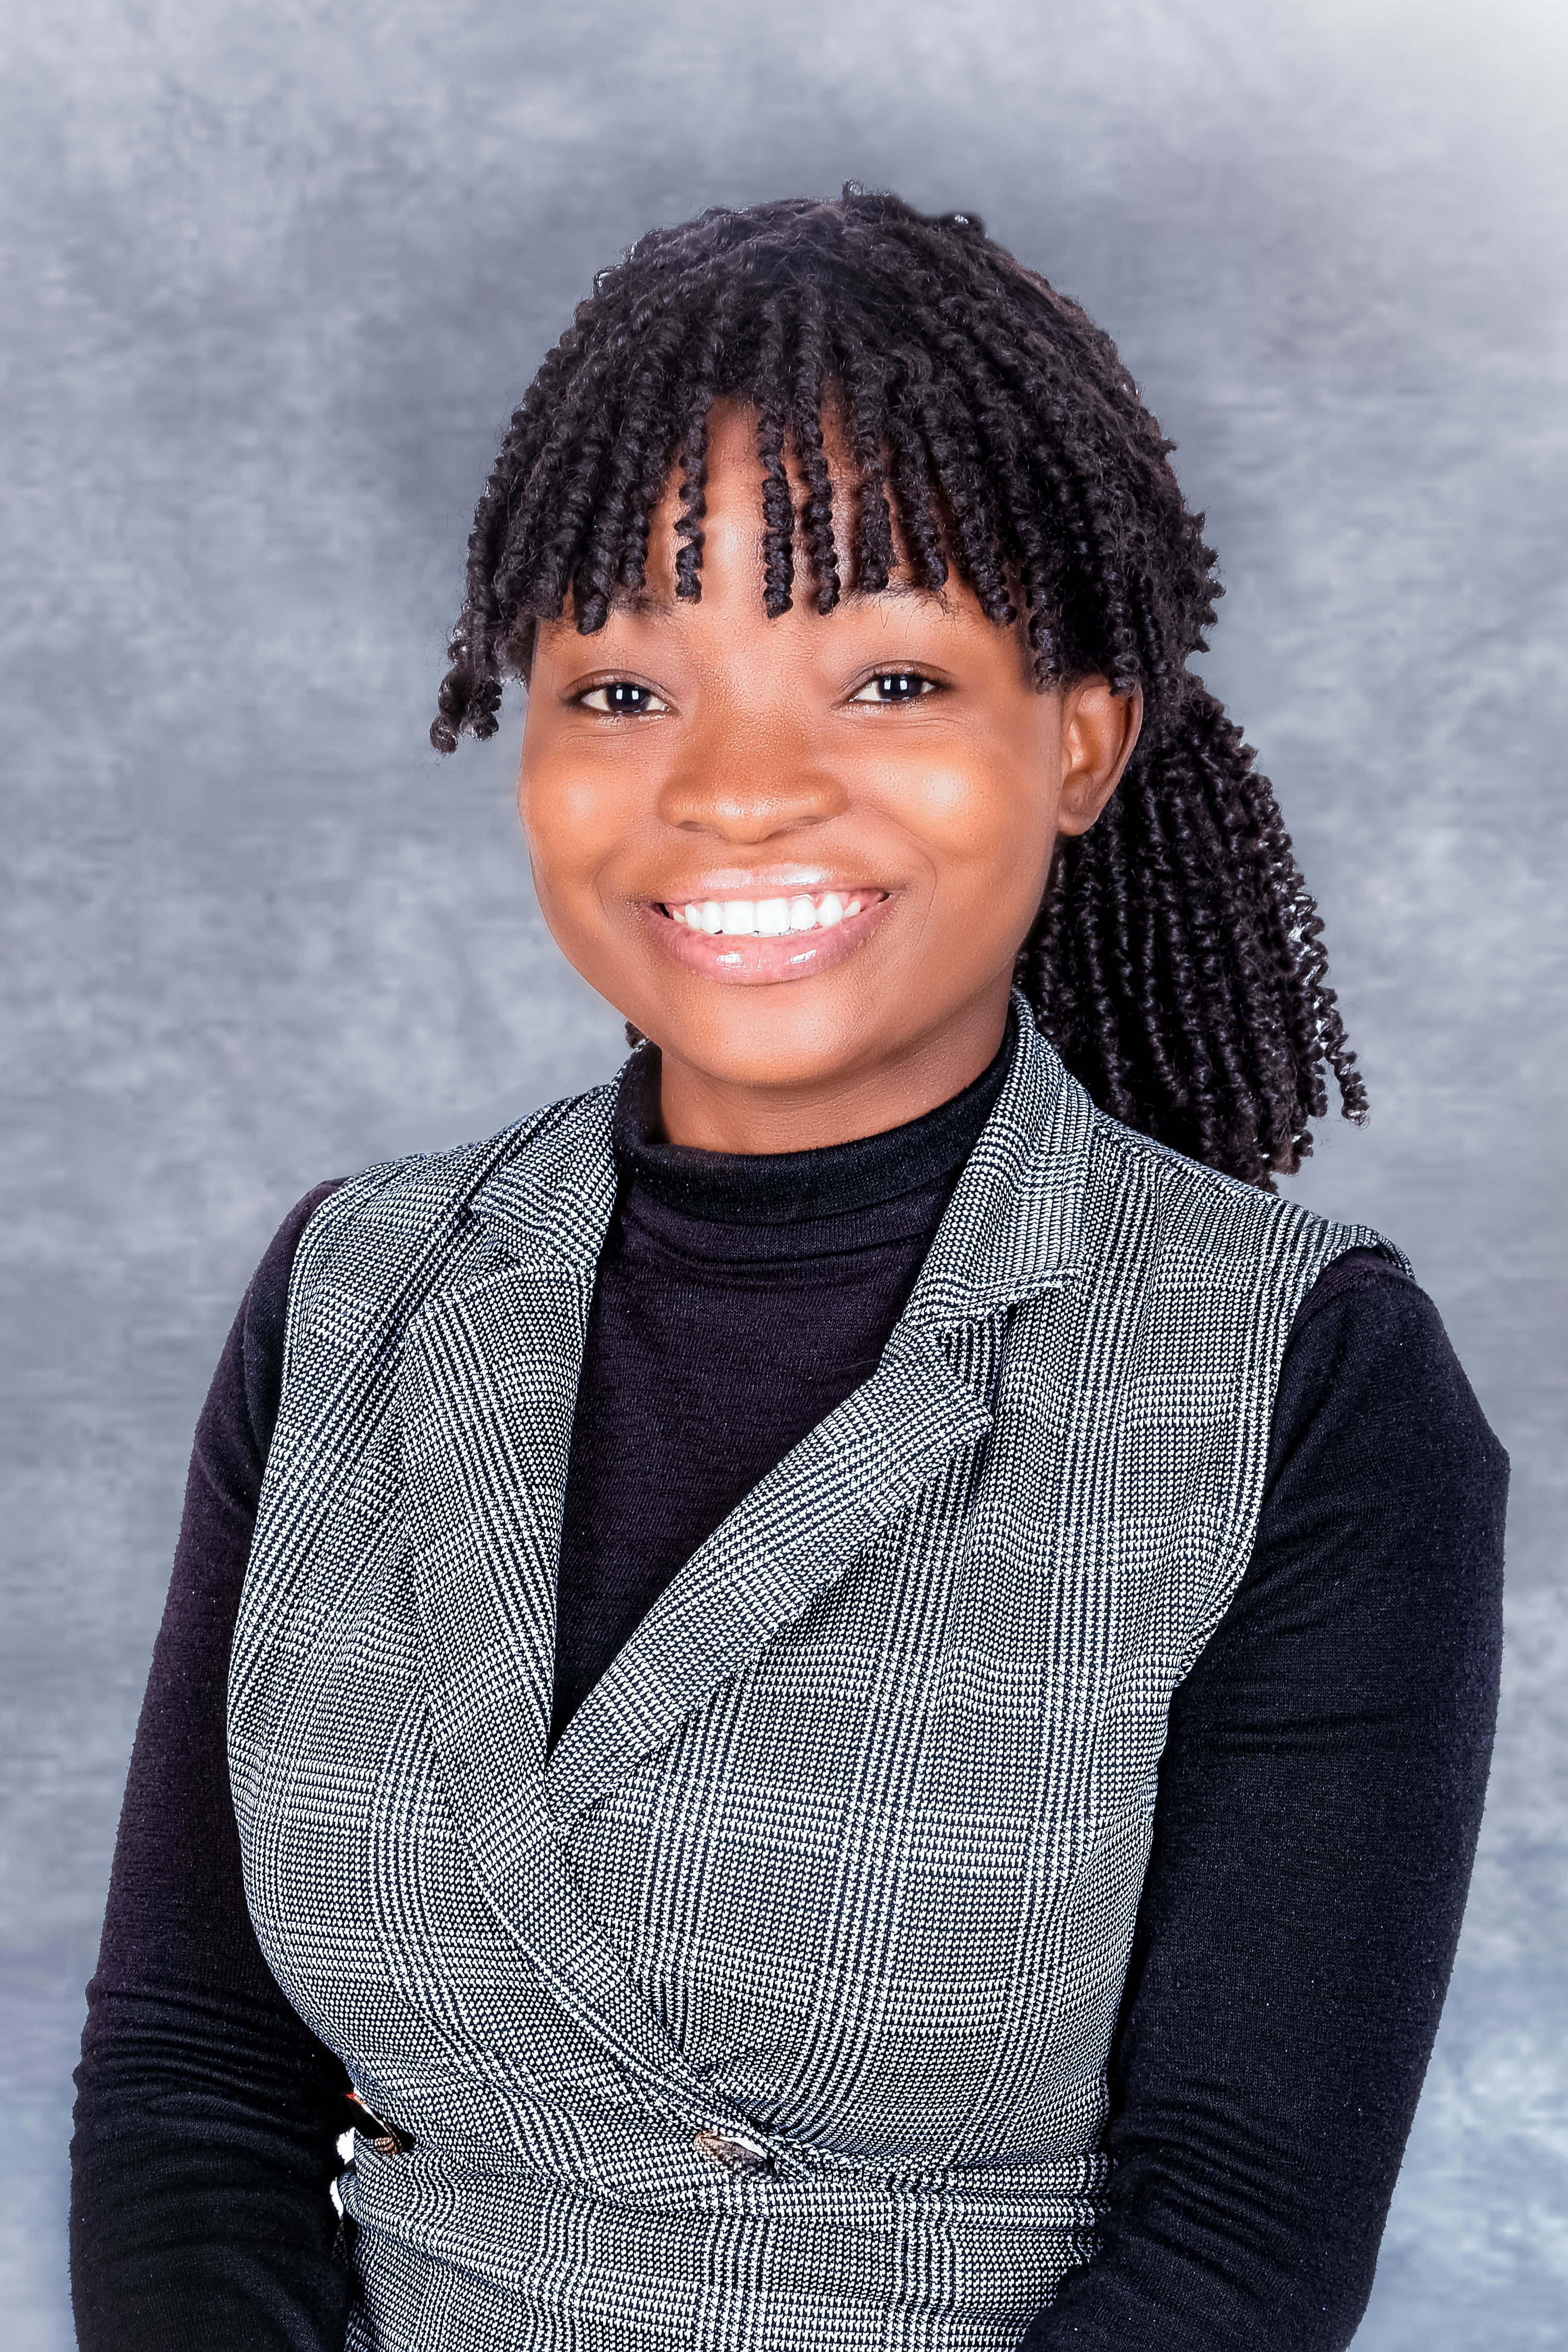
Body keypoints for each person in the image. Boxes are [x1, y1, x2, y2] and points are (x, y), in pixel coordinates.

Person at [70, 188, 1506, 2352]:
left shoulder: (1301, 1375)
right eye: (625, 684)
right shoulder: (358, 1289)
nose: (739, 791)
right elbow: (194, 2079)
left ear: (1080, 741)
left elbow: (1231, 2251)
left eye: (892, 676)